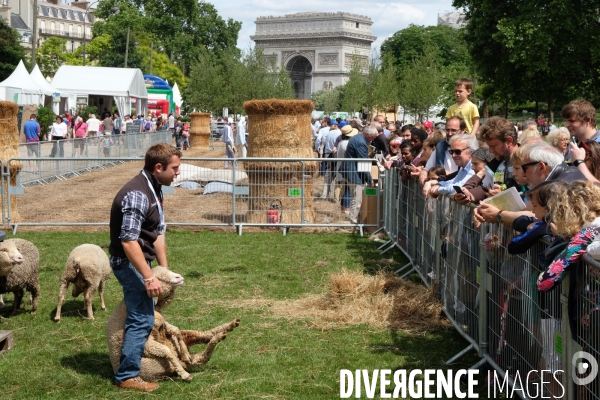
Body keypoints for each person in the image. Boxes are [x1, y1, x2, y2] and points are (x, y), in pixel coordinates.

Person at [109, 143, 181, 392]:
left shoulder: (155, 188)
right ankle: (127, 376)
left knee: (145, 315)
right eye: (175, 168)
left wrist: (164, 272)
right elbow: (128, 241)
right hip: (128, 262)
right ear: (158, 167)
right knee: (141, 318)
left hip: (141, 261)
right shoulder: (138, 194)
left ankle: (132, 362)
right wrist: (149, 277)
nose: (178, 173)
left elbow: (157, 233)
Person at [342, 126, 378, 224]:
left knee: (355, 197)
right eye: (373, 137)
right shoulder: (361, 142)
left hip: (351, 171)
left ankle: (353, 219)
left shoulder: (359, 138)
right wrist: (370, 180)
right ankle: (352, 222)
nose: (374, 139)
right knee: (357, 199)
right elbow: (363, 163)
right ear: (367, 134)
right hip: (353, 173)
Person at [418, 117, 466, 185]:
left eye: (453, 130)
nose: (449, 133)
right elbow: (426, 170)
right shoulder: (440, 149)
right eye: (447, 130)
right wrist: (424, 180)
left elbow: (466, 176)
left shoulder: (469, 152)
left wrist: (444, 175)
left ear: (463, 130)